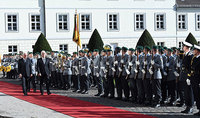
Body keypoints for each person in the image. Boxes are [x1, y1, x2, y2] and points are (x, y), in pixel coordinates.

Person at [180, 41, 194, 114]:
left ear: (186, 47)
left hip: (188, 77)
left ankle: (191, 107)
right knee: (186, 92)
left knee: (190, 92)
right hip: (184, 76)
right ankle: (187, 106)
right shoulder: (185, 55)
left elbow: (191, 67)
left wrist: (189, 77)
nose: (183, 47)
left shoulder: (190, 56)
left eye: (184, 46)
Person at [190, 44, 200, 116]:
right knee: (196, 95)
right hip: (194, 79)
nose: (193, 51)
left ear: (198, 51)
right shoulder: (195, 58)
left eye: (195, 50)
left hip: (198, 79)